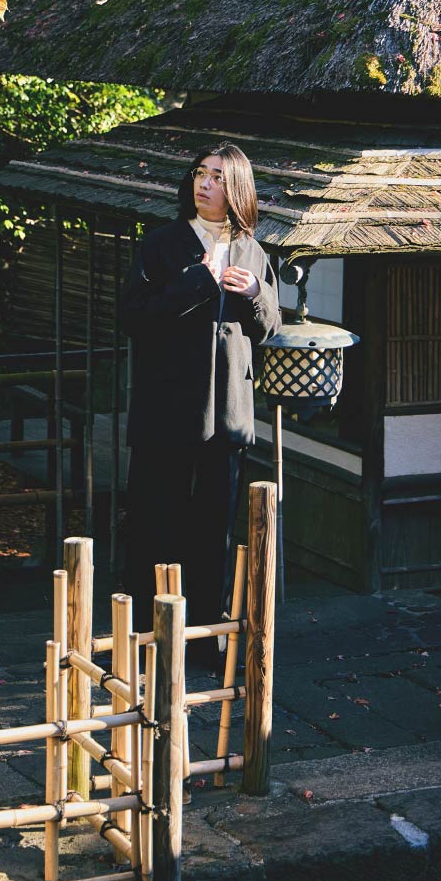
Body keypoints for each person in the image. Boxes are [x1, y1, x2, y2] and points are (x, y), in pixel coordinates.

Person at [121, 143, 281, 632]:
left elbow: (270, 326)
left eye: (216, 176)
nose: (204, 183)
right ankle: (149, 633)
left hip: (228, 417)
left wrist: (255, 293)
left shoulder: (253, 249)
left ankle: (208, 635)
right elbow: (132, 316)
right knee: (156, 522)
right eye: (199, 173)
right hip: (167, 409)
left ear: (236, 188)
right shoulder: (162, 243)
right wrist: (196, 281)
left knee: (214, 531)